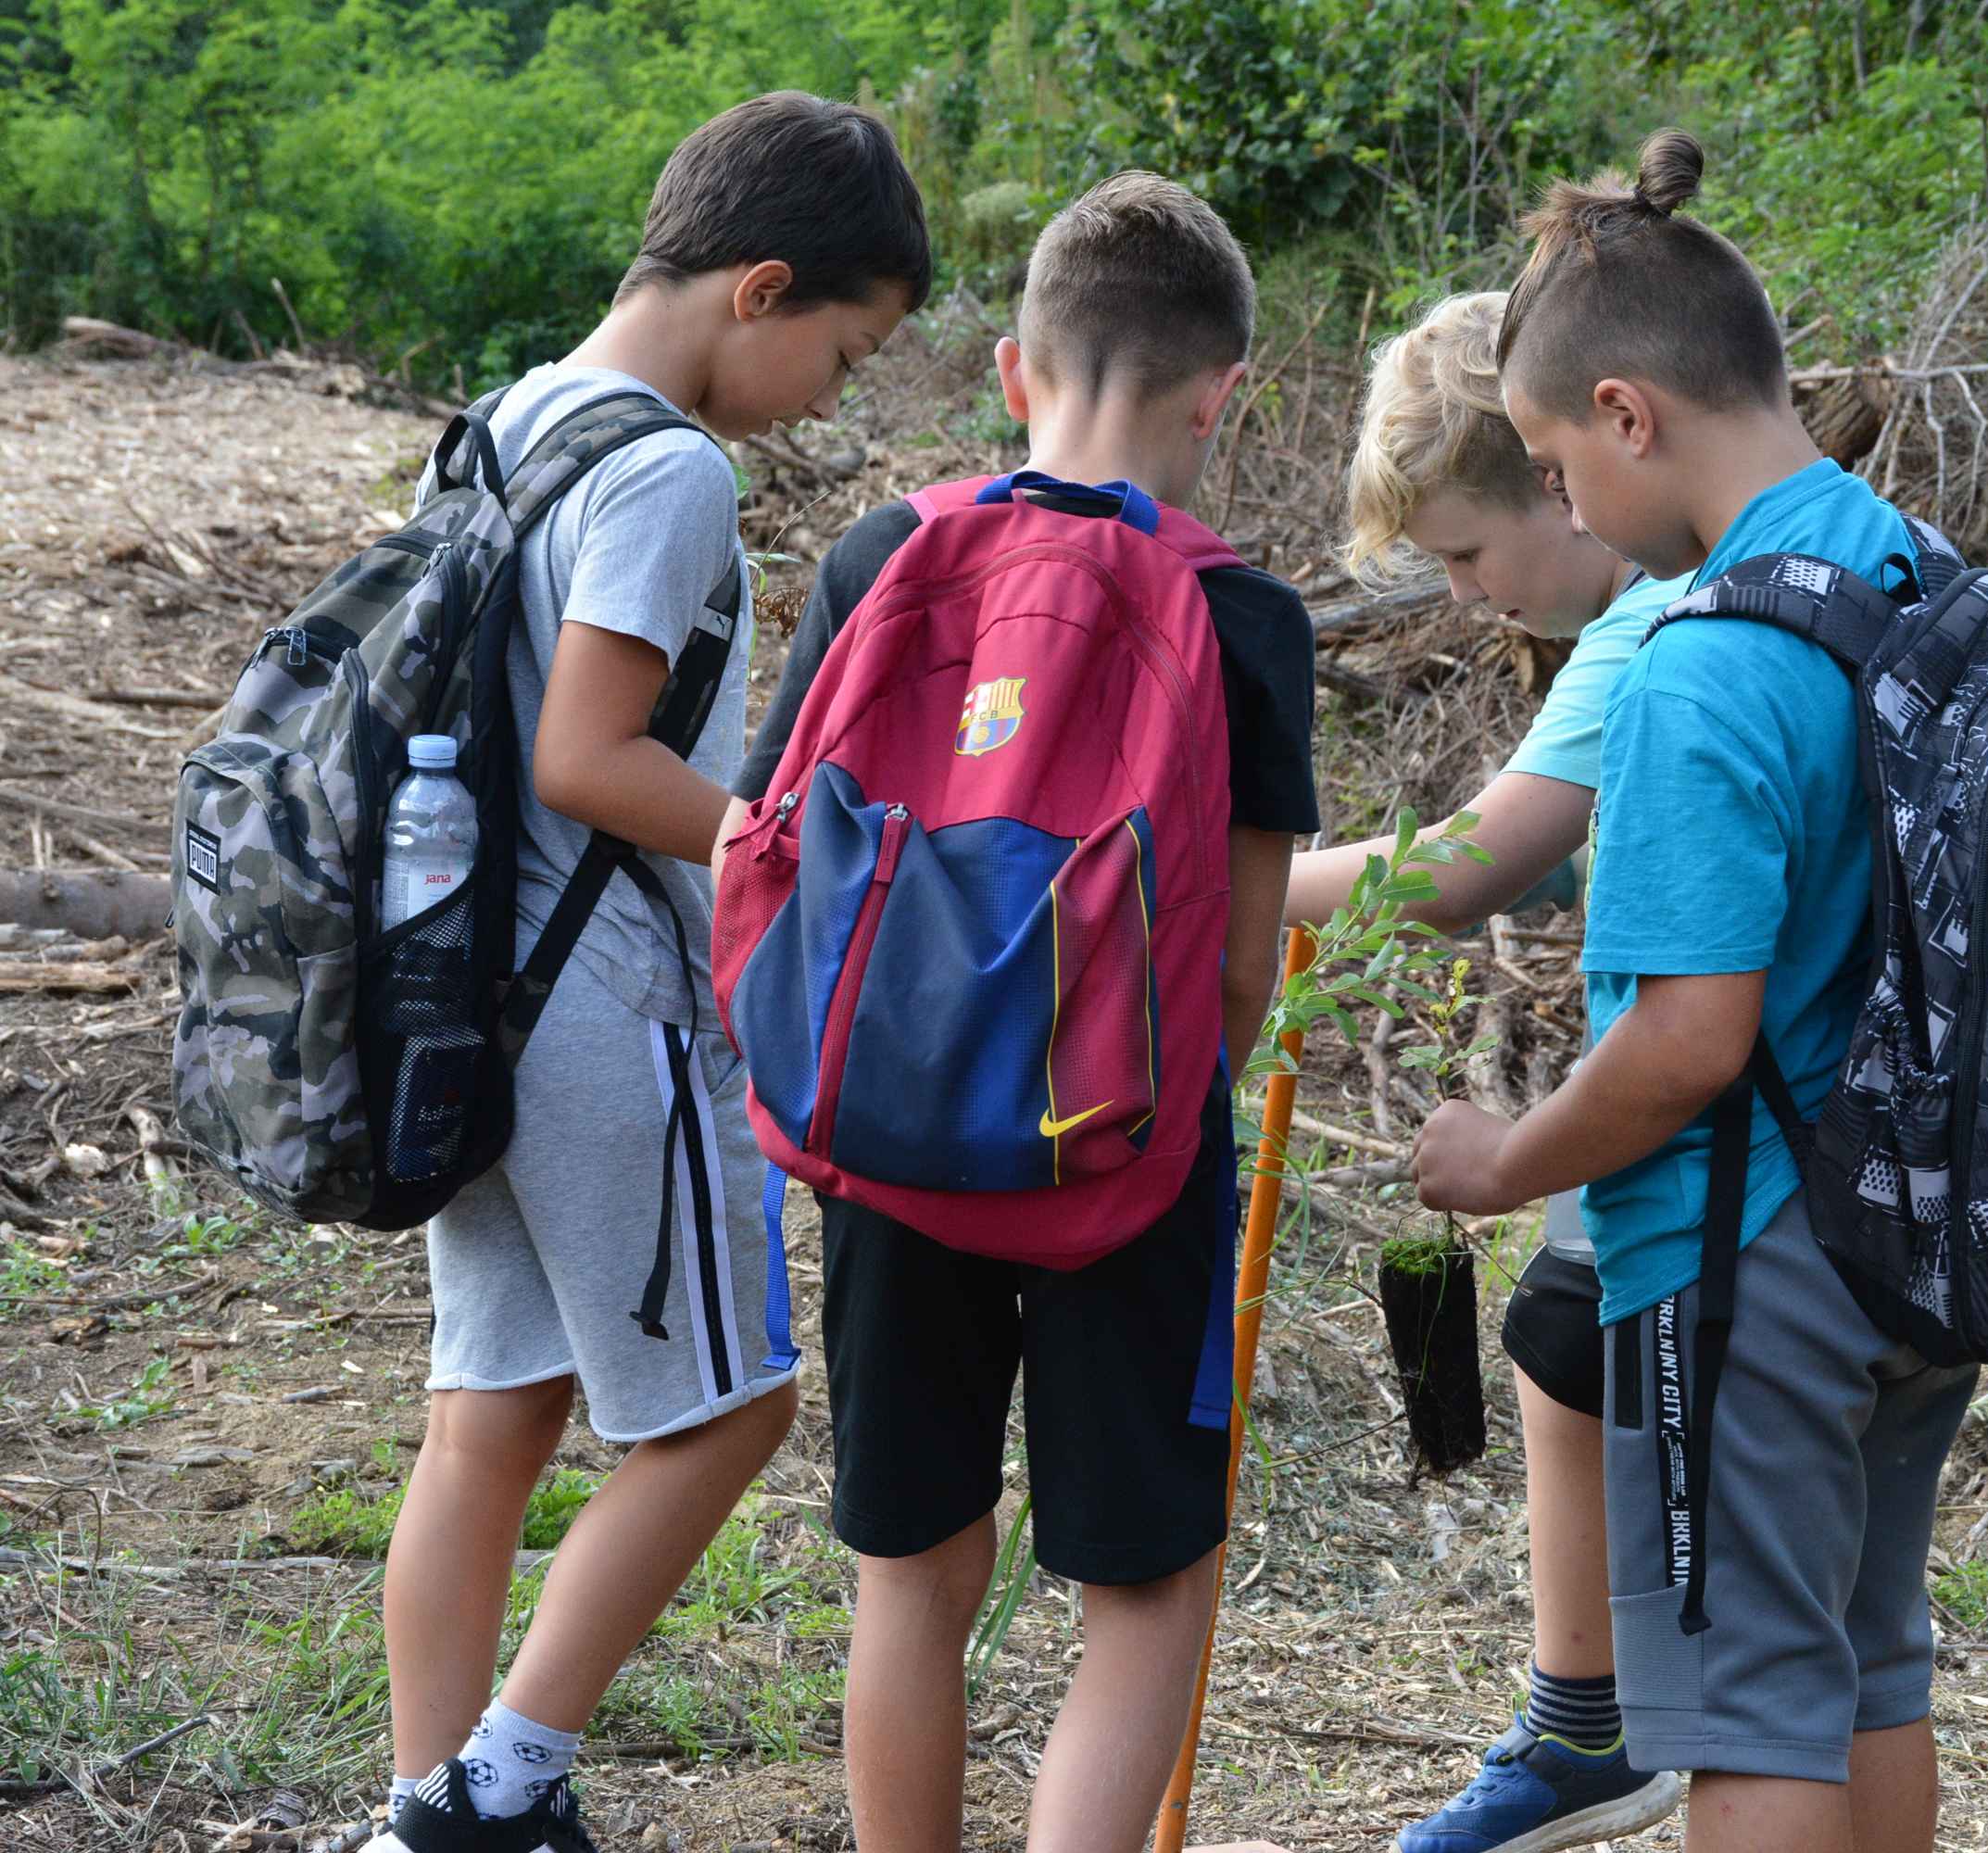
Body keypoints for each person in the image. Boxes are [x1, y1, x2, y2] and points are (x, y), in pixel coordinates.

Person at [722, 171, 1319, 1853]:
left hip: (889, 1137)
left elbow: (766, 846)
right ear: (1225, 396)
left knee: (912, 1577)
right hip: (1121, 1159)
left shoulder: (880, 554)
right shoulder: (1243, 617)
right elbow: (1237, 973)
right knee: (1148, 1587)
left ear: (1010, 371)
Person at [1410, 131, 1981, 1853]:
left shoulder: (1693, 661)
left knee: (1746, 1724)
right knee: (1869, 1664)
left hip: (1743, 1263)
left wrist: (1506, 1164)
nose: (1563, 503)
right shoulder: (1916, 569)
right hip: (1920, 1223)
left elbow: (1686, 1041)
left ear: (1628, 413)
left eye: (1551, 459)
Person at [376, 92, 929, 1853]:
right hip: (601, 1007)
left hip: (463, 996)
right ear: (760, 288)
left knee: (494, 1415)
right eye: (844, 351)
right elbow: (587, 756)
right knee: (736, 1409)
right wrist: (799, 841)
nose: (834, 398)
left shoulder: (505, 418)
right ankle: (501, 1783)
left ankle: (424, 1808)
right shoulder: (670, 465)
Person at [1285, 289, 1688, 1853]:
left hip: (1719, 1109)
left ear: (1565, 477)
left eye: (1465, 552)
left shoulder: (1650, 614)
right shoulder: (1660, 604)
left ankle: (1614, 1719)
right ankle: (1585, 1712)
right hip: (1730, 1092)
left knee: (1601, 1349)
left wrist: (1228, 892)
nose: (1462, 594)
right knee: (1557, 1326)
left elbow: (1469, 865)